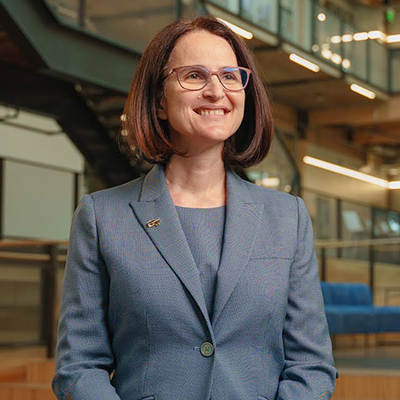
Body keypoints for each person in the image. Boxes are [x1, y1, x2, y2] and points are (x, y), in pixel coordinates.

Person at [53, 16, 337, 400]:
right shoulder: (102, 216)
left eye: (230, 76)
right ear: (159, 100)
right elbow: (79, 367)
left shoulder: (288, 217)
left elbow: (312, 366)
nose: (216, 91)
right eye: (194, 76)